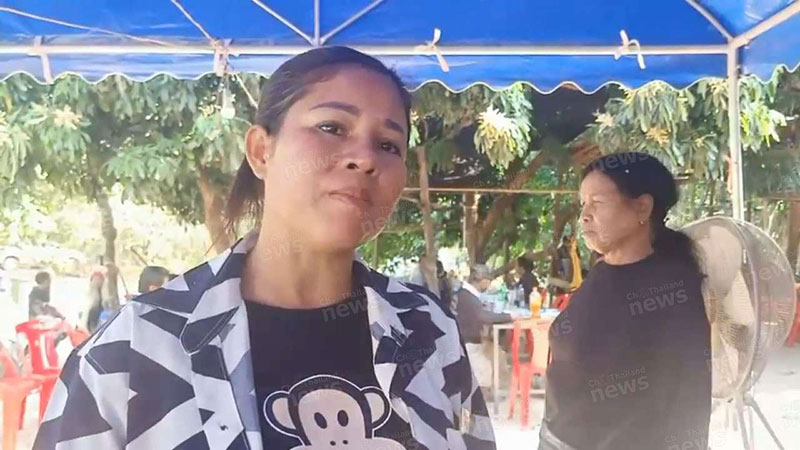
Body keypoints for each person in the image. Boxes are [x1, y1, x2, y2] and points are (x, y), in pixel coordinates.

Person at [35, 47, 494, 450]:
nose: (365, 157)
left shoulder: (427, 332)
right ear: (260, 151)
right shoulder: (135, 349)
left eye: (389, 145)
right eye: (332, 127)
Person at [540, 153, 711, 450]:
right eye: (583, 204)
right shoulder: (600, 272)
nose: (584, 216)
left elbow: (689, 401)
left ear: (642, 207)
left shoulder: (672, 290)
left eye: (597, 203)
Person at [455, 264, 513, 389]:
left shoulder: (466, 294)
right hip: (468, 343)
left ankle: (495, 390)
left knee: (498, 356)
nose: (488, 285)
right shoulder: (467, 296)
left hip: (469, 340)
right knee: (486, 367)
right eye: (488, 281)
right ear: (482, 281)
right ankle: (483, 393)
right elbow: (483, 317)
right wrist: (509, 317)